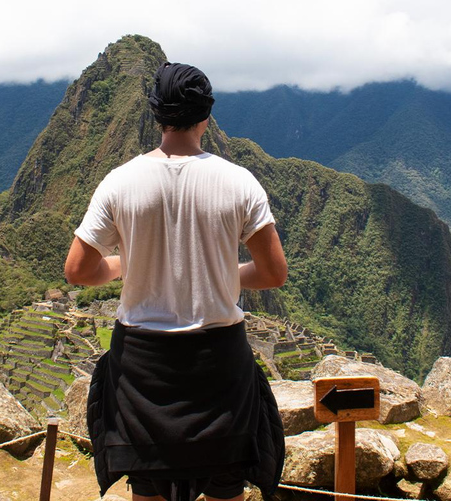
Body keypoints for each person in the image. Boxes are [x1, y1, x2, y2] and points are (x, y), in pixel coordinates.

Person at [64, 62, 287, 501]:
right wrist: (220, 274)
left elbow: (79, 270)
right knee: (226, 485)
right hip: (218, 362)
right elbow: (273, 273)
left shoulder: (119, 183)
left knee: (147, 484)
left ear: (156, 114)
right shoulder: (239, 183)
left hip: (144, 366)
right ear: (206, 116)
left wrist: (131, 264)